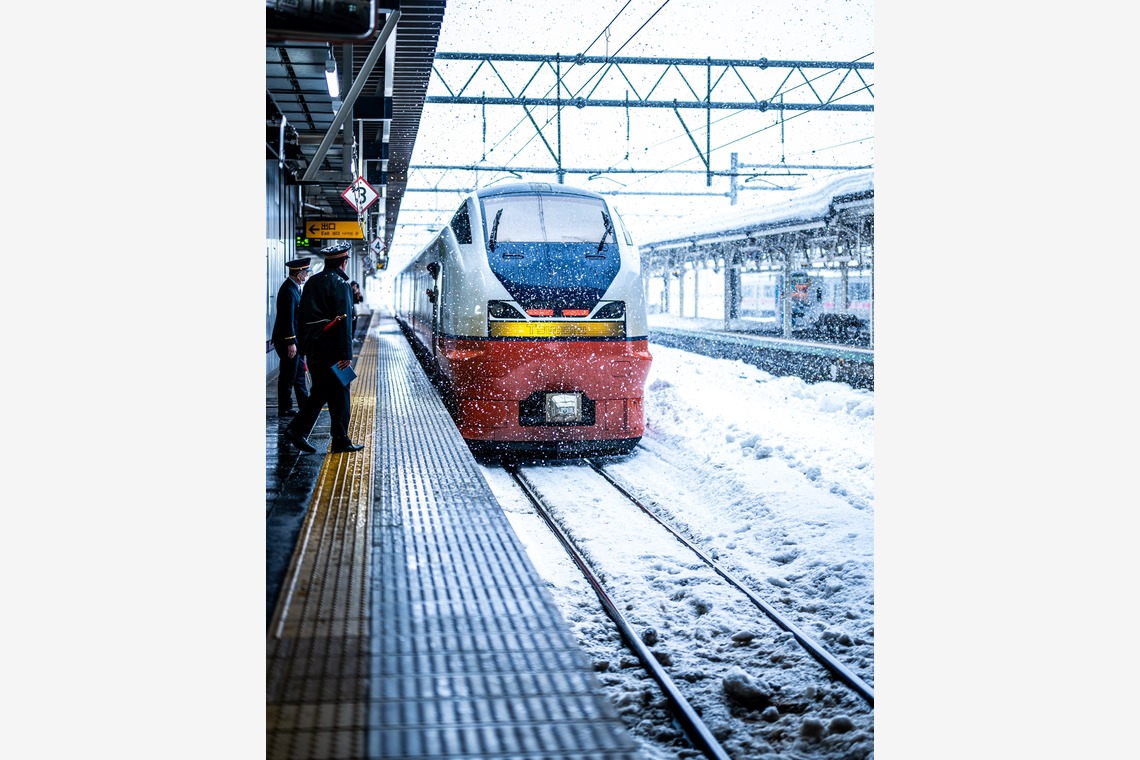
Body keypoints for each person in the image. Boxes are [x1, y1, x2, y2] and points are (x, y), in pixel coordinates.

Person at [282, 242, 364, 454]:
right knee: (341, 392)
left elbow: (301, 316)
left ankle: (303, 431)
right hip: (335, 351)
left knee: (321, 391)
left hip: (314, 349)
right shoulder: (341, 284)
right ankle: (337, 439)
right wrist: (347, 354)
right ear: (344, 262)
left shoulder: (312, 282)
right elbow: (344, 322)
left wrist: (302, 346)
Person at [271, 257, 311, 415]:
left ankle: (304, 404)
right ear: (299, 274)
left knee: (299, 373)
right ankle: (285, 408)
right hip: (288, 341)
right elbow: (287, 319)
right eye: (305, 273)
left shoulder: (294, 288)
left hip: (295, 341)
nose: (306, 276)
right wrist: (291, 343)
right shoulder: (288, 290)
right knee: (288, 375)